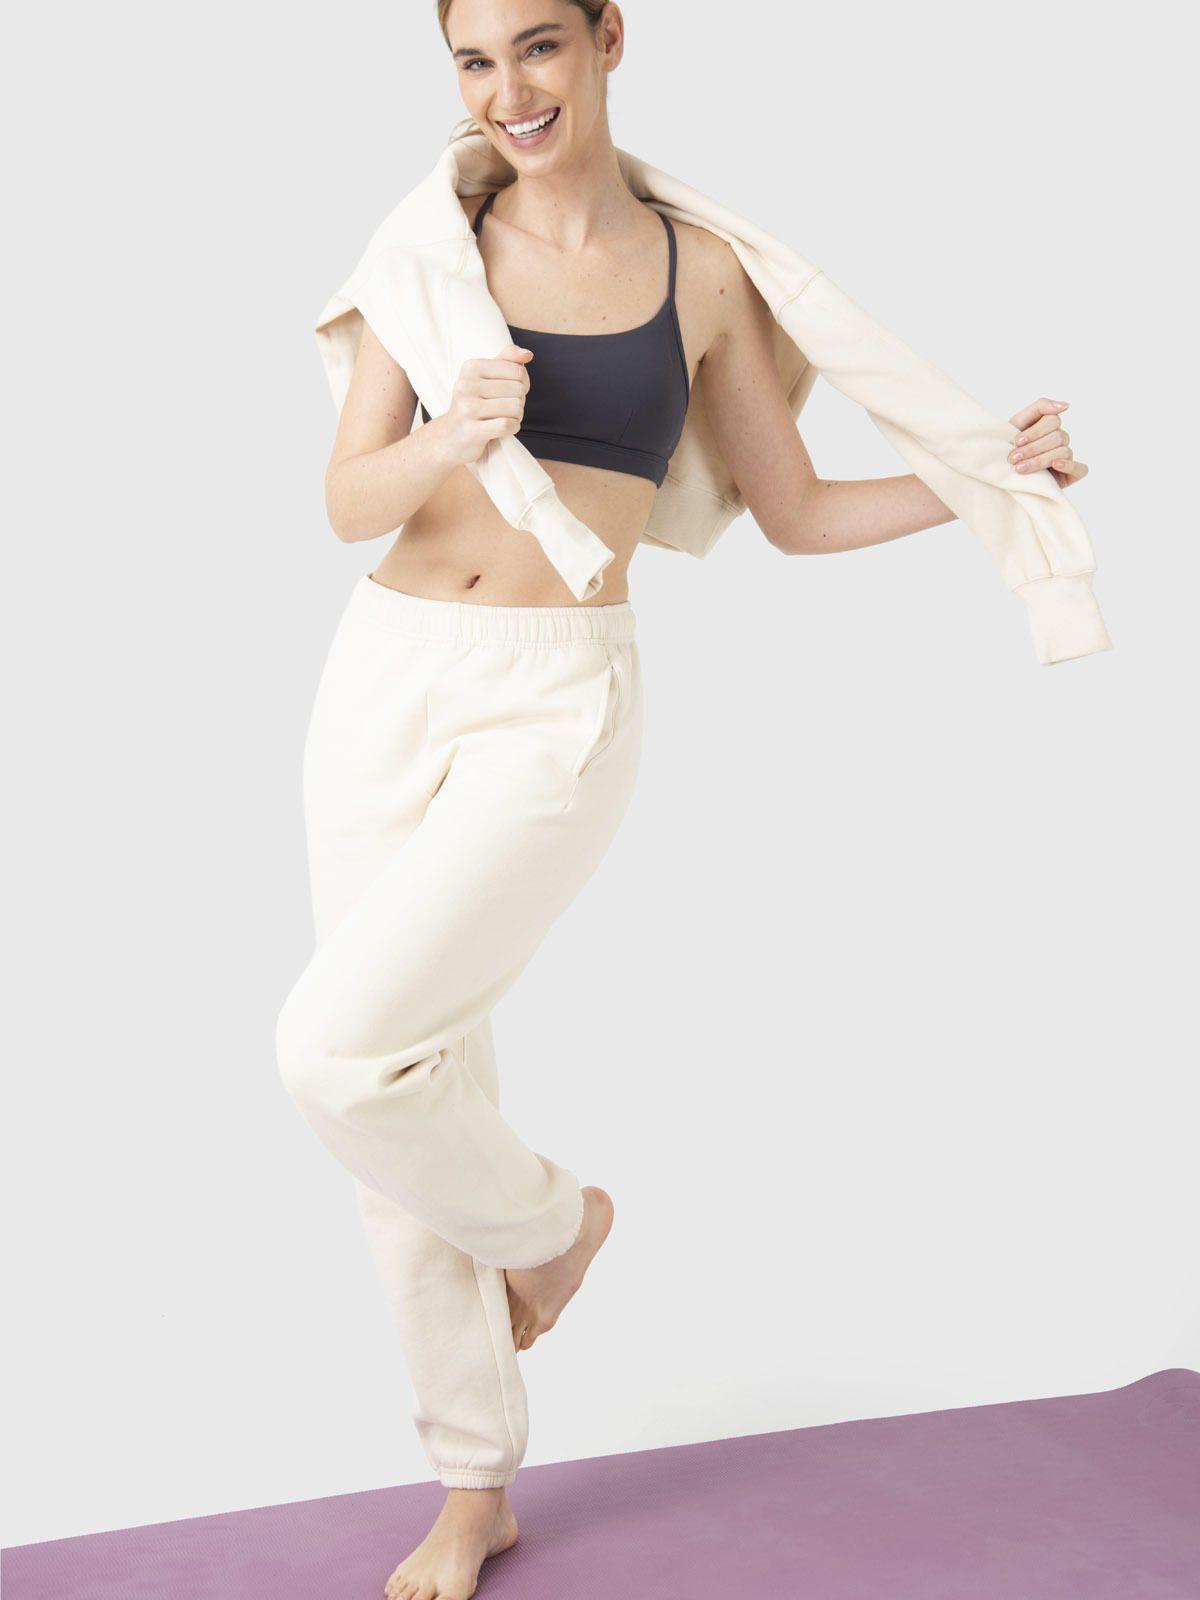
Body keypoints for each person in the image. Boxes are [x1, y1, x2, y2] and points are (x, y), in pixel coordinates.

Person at [275, 4, 1089, 1597]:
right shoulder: (428, 249)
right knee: (396, 1094)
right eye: (473, 62)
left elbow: (794, 511)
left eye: (538, 47)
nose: (508, 92)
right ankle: (474, 1479)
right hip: (383, 675)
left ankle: (549, 1228)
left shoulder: (699, 274)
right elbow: (344, 499)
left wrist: (988, 478)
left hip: (558, 697)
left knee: (337, 1052)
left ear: (607, 40)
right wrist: (450, 434)